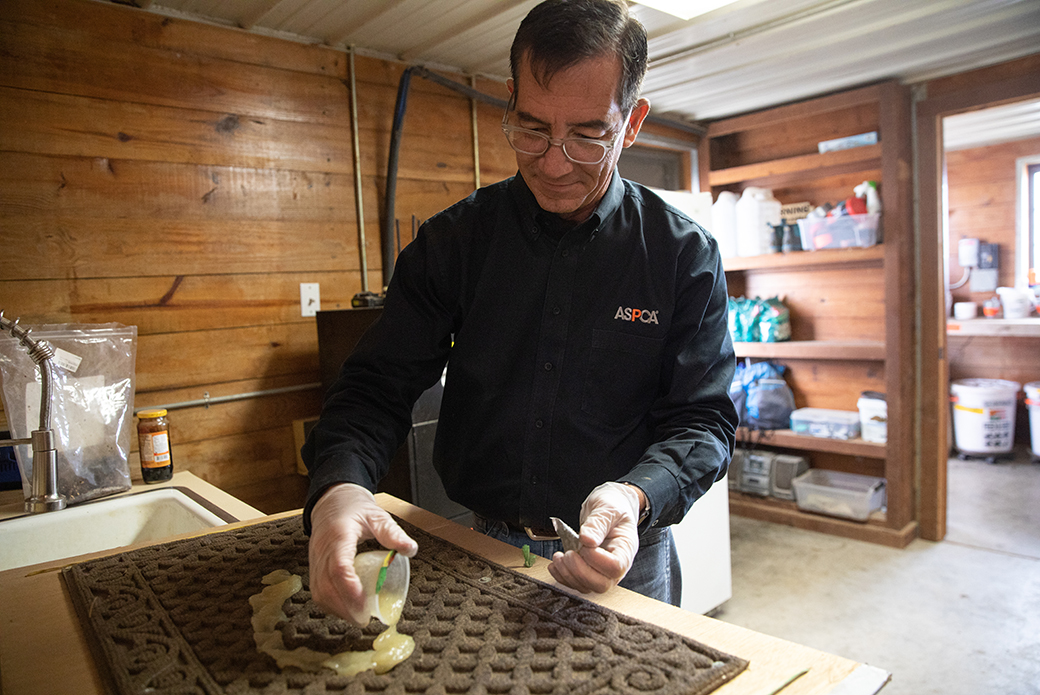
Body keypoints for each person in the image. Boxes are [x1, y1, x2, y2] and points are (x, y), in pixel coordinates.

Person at [302, 0, 737, 623]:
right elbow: (375, 387)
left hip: (625, 553)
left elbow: (703, 421)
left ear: (632, 122)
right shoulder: (455, 243)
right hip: (480, 543)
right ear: (510, 102)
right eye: (532, 129)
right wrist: (339, 489)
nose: (555, 163)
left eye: (587, 135)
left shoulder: (681, 254)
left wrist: (633, 496)